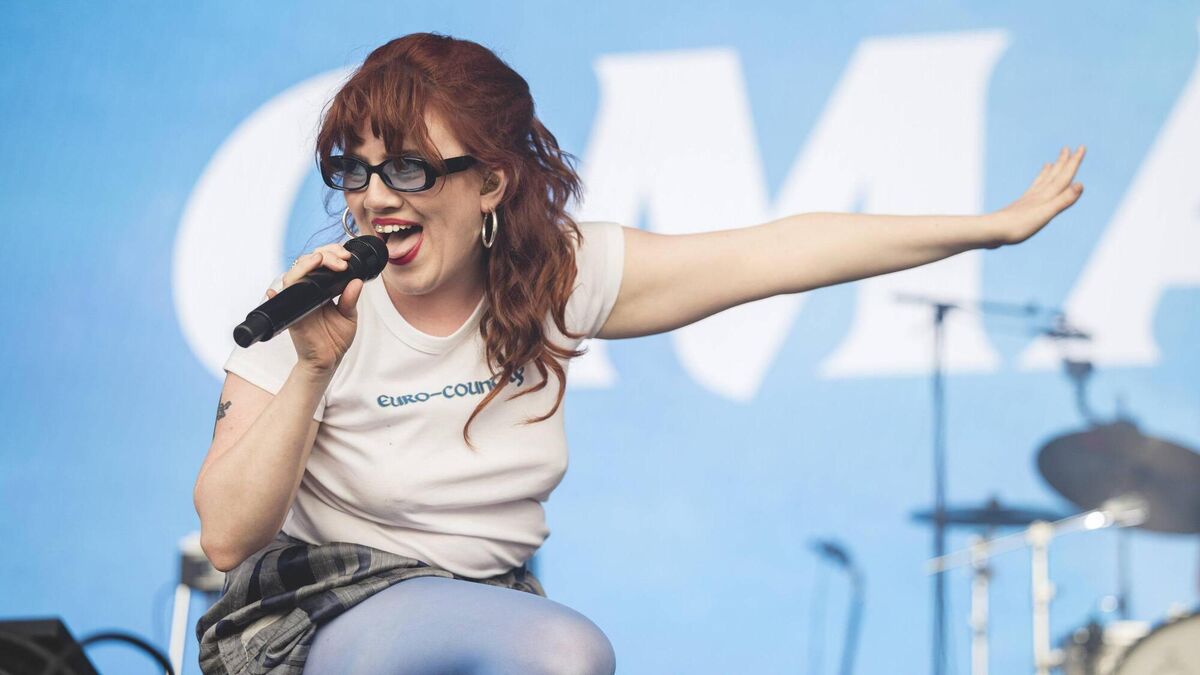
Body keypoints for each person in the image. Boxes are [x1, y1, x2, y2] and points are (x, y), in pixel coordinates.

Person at [192, 32, 1085, 675]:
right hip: (320, 613)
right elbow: (229, 535)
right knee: (567, 654)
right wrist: (312, 365)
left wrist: (985, 230)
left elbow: (775, 253)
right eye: (358, 170)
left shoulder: (551, 278)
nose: (377, 198)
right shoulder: (309, 309)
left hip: (487, 604)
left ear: (492, 181)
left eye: (412, 169)